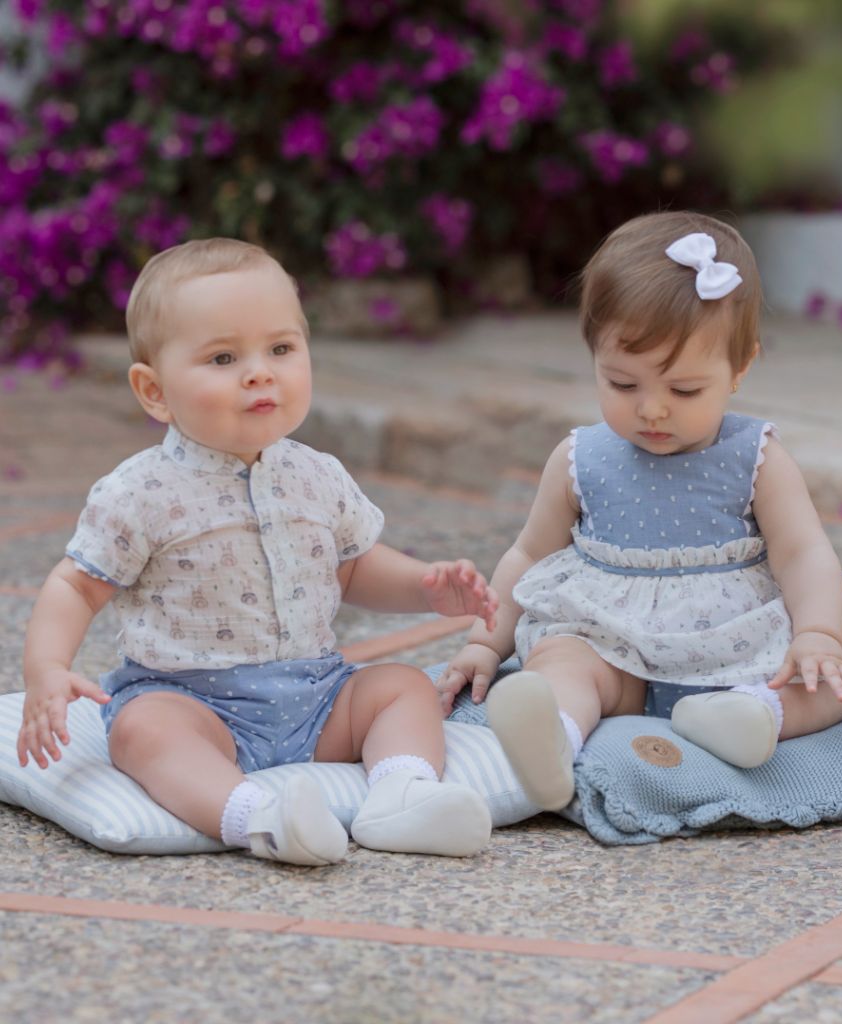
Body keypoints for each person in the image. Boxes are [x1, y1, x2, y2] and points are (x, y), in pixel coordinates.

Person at [18, 238, 499, 865]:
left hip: (317, 692)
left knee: (402, 687)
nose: (259, 371)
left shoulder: (317, 474)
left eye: (280, 348)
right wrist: (47, 669)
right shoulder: (140, 492)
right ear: (155, 391)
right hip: (191, 698)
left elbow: (352, 567)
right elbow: (76, 585)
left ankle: (402, 795)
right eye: (223, 357)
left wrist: (425, 588)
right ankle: (259, 818)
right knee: (143, 731)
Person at [439, 211, 842, 811]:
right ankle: (553, 738)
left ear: (740, 370)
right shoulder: (580, 458)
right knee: (564, 657)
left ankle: (755, 715)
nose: (652, 410)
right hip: (614, 641)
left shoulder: (756, 458)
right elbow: (530, 553)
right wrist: (486, 643)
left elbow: (803, 553)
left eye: (684, 390)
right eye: (622, 384)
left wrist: (819, 635)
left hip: (738, 645)